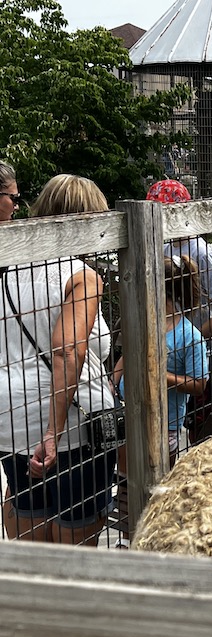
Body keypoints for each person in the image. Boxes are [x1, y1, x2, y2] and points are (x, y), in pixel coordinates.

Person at [0, 174, 117, 545]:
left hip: (12, 422)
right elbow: (67, 349)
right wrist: (52, 432)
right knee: (75, 540)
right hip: (71, 429)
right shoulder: (80, 276)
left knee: (27, 517)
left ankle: (30, 600)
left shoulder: (8, 270)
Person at [145, 179, 212, 441]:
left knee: (198, 427)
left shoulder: (200, 251)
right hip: (170, 352)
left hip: (200, 352)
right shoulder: (165, 246)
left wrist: (187, 338)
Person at [114, 254, 209, 470]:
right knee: (126, 477)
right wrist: (113, 383)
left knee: (155, 478)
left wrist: (157, 375)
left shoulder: (190, 336)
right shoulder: (142, 322)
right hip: (127, 412)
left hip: (165, 422)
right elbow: (126, 355)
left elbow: (199, 384)